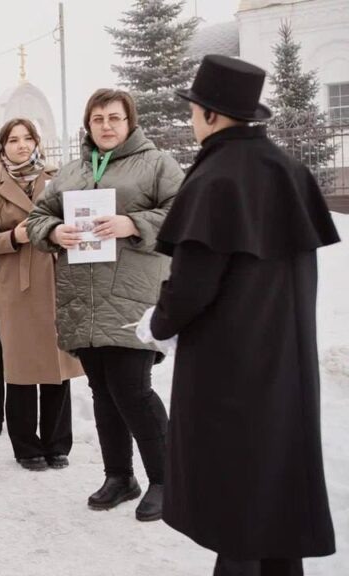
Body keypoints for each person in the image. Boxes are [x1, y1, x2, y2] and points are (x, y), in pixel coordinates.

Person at [145, 55, 339, 576]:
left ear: (210, 114)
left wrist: (157, 324)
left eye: (194, 111)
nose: (191, 120)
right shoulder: (289, 169)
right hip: (286, 365)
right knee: (276, 489)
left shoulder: (216, 176)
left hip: (229, 368)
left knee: (235, 497)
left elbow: (192, 284)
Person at [27, 89, 183, 521]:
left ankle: (168, 480)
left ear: (130, 122)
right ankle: (119, 476)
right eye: (98, 119)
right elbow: (37, 217)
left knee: (133, 390)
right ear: (88, 125)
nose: (106, 126)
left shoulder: (156, 164)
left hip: (133, 294)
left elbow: (184, 211)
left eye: (115, 117)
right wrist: (53, 231)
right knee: (103, 392)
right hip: (83, 297)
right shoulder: (72, 172)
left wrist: (133, 223)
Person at [0, 121, 84, 471]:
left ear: (37, 142)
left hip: (57, 279)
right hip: (16, 287)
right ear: (2, 147)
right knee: (20, 368)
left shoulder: (58, 179)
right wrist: (13, 237)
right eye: (13, 140)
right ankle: (26, 447)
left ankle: (57, 444)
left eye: (28, 138)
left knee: (57, 364)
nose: (22, 145)